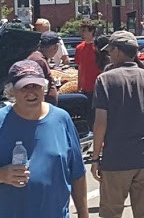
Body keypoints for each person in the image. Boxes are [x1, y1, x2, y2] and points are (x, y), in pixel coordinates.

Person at [91, 31, 144, 218]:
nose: (109, 55)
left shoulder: (105, 80)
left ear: (117, 51)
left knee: (111, 212)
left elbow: (101, 122)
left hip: (116, 159)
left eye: (110, 51)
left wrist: (95, 158)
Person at [0, 60, 88, 218]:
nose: (31, 92)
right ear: (12, 90)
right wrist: (2, 175)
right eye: (24, 87)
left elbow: (77, 173)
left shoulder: (61, 119)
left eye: (36, 86)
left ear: (45, 88)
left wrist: (83, 214)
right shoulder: (1, 121)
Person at [75, 21, 101, 125]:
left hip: (98, 86)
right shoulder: (79, 48)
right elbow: (80, 68)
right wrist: (79, 85)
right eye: (82, 31)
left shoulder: (98, 48)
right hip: (86, 87)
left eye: (85, 31)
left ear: (92, 31)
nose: (83, 33)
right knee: (89, 114)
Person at [26, 31, 60, 105]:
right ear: (55, 47)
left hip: (47, 103)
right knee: (81, 99)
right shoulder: (39, 61)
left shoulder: (38, 58)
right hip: (45, 105)